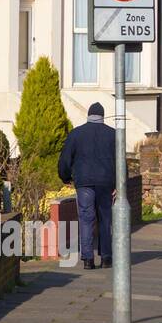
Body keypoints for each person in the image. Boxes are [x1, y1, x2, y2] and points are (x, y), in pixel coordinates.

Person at [57, 102, 116, 270]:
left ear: (88, 115)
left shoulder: (76, 134)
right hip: (106, 182)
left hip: (84, 183)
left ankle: (88, 259)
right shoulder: (113, 134)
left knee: (86, 218)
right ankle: (106, 257)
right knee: (105, 219)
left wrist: (66, 177)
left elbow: (65, 159)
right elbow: (121, 161)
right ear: (103, 116)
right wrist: (120, 183)